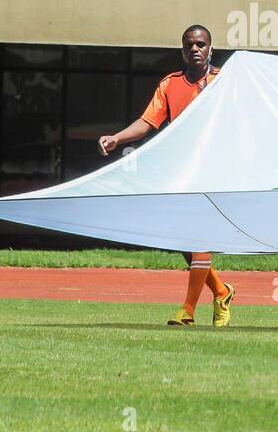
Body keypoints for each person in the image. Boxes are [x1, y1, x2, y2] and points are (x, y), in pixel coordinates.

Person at [98, 25, 235, 327]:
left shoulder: (223, 81)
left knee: (198, 238)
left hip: (212, 173)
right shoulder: (170, 84)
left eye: (201, 44)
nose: (195, 49)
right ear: (182, 50)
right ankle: (222, 292)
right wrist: (117, 138)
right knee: (185, 242)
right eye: (189, 45)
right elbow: (147, 122)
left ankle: (187, 311)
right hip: (179, 173)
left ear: (211, 49)